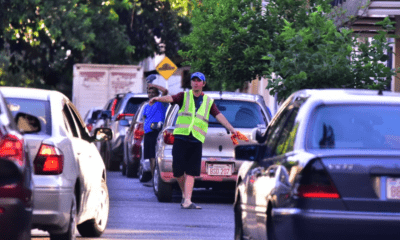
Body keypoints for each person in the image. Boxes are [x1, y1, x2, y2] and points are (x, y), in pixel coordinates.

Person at [149, 72, 237, 209]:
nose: (196, 83)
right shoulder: (184, 96)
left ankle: (187, 200)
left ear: (203, 84)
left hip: (196, 139)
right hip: (180, 137)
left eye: (199, 81)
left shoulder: (208, 101)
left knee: (191, 171)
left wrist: (232, 129)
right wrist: (157, 99)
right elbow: (170, 98)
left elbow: (219, 115)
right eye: (193, 80)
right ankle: (185, 194)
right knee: (177, 171)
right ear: (191, 83)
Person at [142, 74, 168, 187]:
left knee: (155, 157)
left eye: (153, 92)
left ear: (157, 94)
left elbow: (165, 91)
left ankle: (157, 180)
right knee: (151, 158)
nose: (151, 94)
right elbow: (144, 117)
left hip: (156, 133)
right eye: (149, 92)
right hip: (147, 134)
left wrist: (153, 85)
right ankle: (153, 180)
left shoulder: (161, 102)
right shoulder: (146, 106)